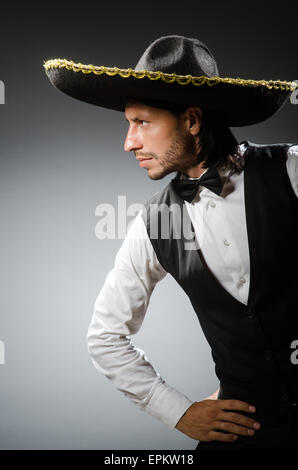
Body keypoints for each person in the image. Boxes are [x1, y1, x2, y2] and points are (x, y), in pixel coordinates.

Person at [43, 35, 298, 450]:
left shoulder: (289, 170)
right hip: (245, 435)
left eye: (142, 122)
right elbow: (104, 337)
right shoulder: (153, 223)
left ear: (192, 120)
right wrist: (178, 412)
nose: (129, 142)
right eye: (129, 124)